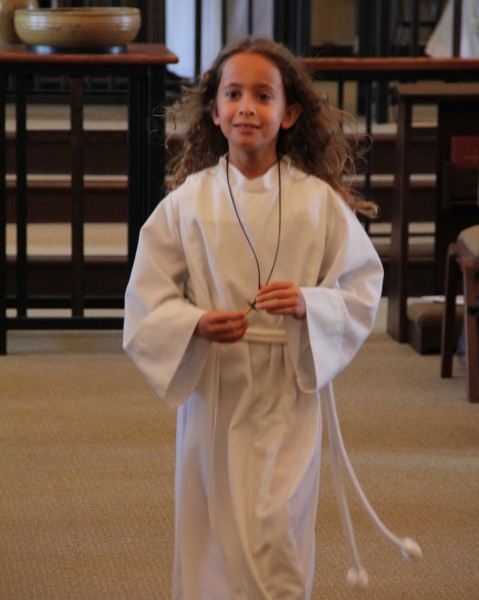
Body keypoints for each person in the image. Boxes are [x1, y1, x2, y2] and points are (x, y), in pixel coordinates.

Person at [123, 37, 384, 599]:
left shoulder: (317, 202)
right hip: (216, 390)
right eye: (233, 94)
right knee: (214, 533)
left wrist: (310, 303)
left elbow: (362, 286)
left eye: (263, 96)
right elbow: (146, 297)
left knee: (275, 528)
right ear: (214, 112)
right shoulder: (188, 202)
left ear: (289, 113)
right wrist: (194, 323)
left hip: (286, 391)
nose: (246, 107)